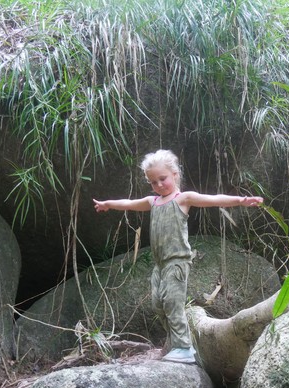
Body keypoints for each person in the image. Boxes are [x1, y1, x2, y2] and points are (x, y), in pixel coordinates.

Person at [93, 149, 263, 364]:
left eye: (162, 179)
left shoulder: (183, 199)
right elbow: (128, 203)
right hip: (160, 264)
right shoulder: (152, 202)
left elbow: (212, 199)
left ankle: (184, 347)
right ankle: (177, 343)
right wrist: (108, 204)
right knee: (158, 304)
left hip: (177, 261)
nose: (159, 185)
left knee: (173, 302)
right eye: (153, 182)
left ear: (174, 174)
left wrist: (241, 200)